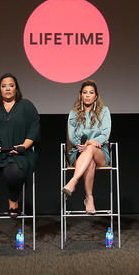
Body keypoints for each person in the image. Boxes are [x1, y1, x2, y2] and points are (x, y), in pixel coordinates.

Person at [0, 73, 41, 218]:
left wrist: (24, 146)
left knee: (14, 172)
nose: (8, 89)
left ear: (16, 88)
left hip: (19, 152)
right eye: (4, 86)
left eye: (11, 85)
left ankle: (13, 200)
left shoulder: (26, 106)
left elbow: (34, 128)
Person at [61, 80, 111, 214]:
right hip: (79, 151)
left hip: (100, 151)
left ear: (96, 96)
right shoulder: (74, 113)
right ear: (80, 95)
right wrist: (84, 144)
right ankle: (89, 198)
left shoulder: (104, 111)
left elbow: (106, 134)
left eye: (91, 93)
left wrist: (91, 142)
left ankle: (73, 181)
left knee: (91, 150)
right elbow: (72, 136)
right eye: (85, 92)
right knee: (90, 160)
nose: (88, 95)